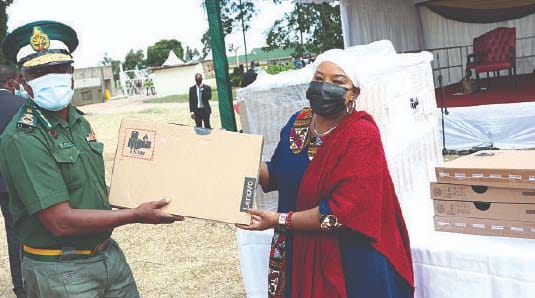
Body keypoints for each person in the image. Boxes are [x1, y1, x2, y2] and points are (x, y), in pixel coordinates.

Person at [0, 20, 184, 298]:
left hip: (107, 257)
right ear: (24, 82)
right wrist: (135, 214)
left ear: (71, 72)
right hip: (61, 270)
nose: (51, 77)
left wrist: (139, 195)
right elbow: (59, 221)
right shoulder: (23, 137)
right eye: (38, 72)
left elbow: (91, 188)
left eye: (58, 68)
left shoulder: (78, 122)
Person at [238, 50, 414, 298]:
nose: (324, 88)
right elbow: (278, 173)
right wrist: (240, 163)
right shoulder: (298, 122)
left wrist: (278, 220)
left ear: (354, 93)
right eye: (319, 79)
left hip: (349, 260)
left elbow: (339, 214)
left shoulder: (361, 135)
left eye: (337, 82)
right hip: (299, 249)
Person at [0, 65, 26, 298]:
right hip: (22, 181)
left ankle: (20, 287)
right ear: (10, 82)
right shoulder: (21, 106)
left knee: (13, 233)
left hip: (2, 186)